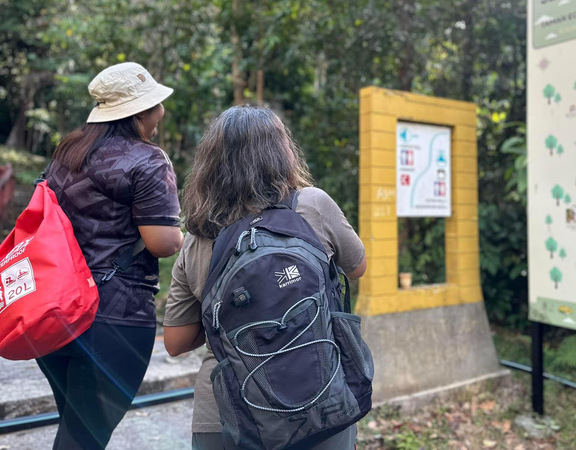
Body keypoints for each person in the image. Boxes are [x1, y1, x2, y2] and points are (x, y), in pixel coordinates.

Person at [163, 106, 367, 450]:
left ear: (211, 165)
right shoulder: (312, 207)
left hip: (229, 416)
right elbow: (357, 266)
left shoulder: (198, 239)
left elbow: (175, 342)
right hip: (320, 404)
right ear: (282, 152)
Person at [38, 62, 184, 449]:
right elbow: (162, 243)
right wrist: (185, 238)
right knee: (83, 438)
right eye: (156, 103)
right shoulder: (149, 160)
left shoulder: (68, 150)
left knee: (75, 428)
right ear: (141, 112)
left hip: (57, 311)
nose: (161, 110)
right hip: (114, 317)